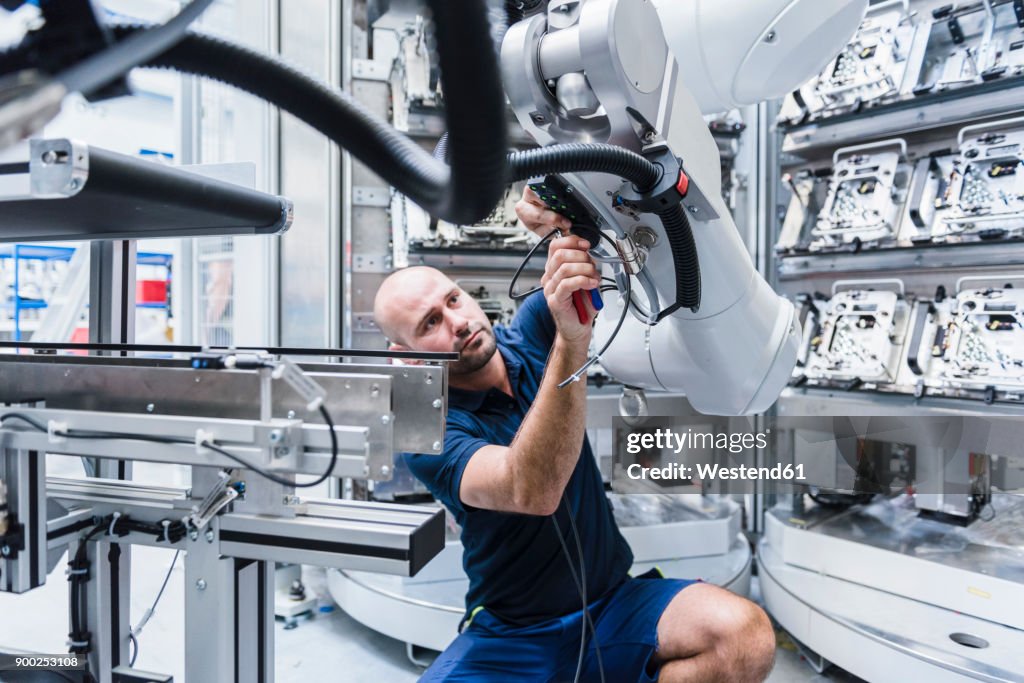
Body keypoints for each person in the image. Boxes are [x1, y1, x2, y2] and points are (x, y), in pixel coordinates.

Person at [372, 188, 776, 682]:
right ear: (406, 354)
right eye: (431, 322)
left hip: (613, 602)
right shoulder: (425, 432)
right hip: (512, 631)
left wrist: (557, 219)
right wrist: (572, 339)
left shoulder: (532, 331)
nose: (458, 322)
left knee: (744, 635)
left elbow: (606, 240)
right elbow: (531, 489)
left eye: (453, 299)